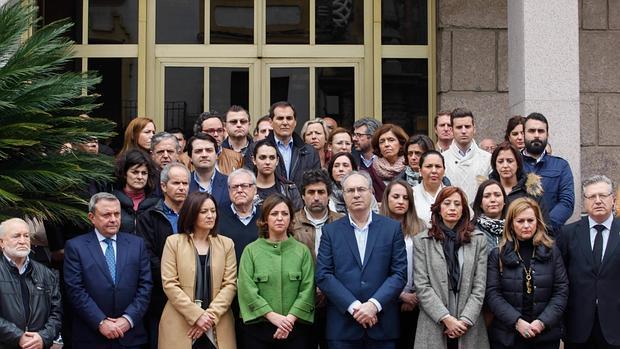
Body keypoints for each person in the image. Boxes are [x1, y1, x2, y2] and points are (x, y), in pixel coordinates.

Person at [316, 171, 407, 349]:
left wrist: (373, 305)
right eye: (350, 190)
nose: (356, 194)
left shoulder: (392, 229)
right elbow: (324, 275)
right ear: (343, 195)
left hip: (382, 326)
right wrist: (355, 307)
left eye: (361, 189)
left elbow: (399, 274)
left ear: (371, 192)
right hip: (343, 328)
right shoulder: (330, 232)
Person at [64, 193, 152, 349]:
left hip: (130, 336)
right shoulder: (76, 247)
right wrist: (100, 322)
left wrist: (128, 319)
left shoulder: (136, 244)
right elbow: (75, 290)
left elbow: (145, 286)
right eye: (106, 215)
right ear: (91, 217)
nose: (113, 219)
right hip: (91, 336)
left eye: (117, 214)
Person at [486, 197, 568, 349]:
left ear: (538, 222)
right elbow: (492, 294)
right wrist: (517, 322)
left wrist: (542, 322)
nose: (526, 226)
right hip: (507, 337)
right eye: (520, 221)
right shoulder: (497, 255)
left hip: (545, 336)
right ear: (511, 223)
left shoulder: (552, 252)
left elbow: (561, 291)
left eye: (530, 220)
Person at [413, 186, 489, 349]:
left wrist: (464, 321)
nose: (452, 208)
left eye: (457, 204)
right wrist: (446, 318)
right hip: (434, 320)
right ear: (438, 208)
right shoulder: (422, 241)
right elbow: (422, 285)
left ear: (464, 210)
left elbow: (479, 285)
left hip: (469, 321)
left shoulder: (478, 240)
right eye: (447, 203)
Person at [159, 192, 237, 349]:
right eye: (204, 211)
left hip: (218, 324)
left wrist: (208, 317)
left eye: (213, 211)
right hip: (179, 323)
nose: (210, 216)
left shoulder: (226, 244)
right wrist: (196, 315)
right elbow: (169, 284)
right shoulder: (174, 242)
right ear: (191, 213)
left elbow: (230, 285)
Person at [238, 194, 315, 349]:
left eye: (285, 214)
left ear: (291, 218)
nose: (280, 218)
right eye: (274, 213)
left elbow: (308, 289)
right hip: (258, 330)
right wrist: (272, 316)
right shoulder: (251, 251)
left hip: (295, 329)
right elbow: (246, 289)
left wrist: (288, 321)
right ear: (265, 219)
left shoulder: (302, 251)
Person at [557, 175, 620, 349]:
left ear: (613, 199)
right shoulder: (567, 234)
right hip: (578, 328)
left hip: (616, 327)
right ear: (584, 202)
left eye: (603, 195)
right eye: (592, 197)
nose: (598, 201)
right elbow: (560, 280)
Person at [136, 163, 190, 347]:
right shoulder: (149, 217)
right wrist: (174, 278)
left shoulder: (197, 215)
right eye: (176, 183)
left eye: (185, 183)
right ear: (164, 186)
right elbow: (147, 256)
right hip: (161, 295)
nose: (182, 187)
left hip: (194, 293)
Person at [291, 169, 342, 349]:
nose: (316, 197)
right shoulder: (291, 224)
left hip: (336, 301)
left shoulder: (342, 223)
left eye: (321, 192)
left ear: (329, 195)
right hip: (302, 301)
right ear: (303, 196)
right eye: (311, 192)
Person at [0, 218, 62, 349]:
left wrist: (43, 337)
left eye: (26, 236)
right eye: (16, 236)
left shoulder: (46, 273)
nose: (23, 241)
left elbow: (57, 313)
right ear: (2, 242)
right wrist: (18, 337)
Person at [379, 180, 426, 349]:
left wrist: (414, 295)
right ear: (387, 199)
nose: (401, 201)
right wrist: (400, 294)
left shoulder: (420, 226)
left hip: (416, 300)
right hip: (385, 300)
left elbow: (425, 265)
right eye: (396, 196)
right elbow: (376, 267)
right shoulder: (376, 226)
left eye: (406, 198)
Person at [244, 101, 320, 190]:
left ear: (295, 122)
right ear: (271, 122)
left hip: (300, 202)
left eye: (289, 118)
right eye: (280, 118)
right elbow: (249, 181)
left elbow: (316, 184)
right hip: (268, 202)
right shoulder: (255, 148)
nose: (285, 122)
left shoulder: (309, 152)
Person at [521, 112, 574, 232]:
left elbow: (566, 202)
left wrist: (544, 227)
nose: (536, 135)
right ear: (523, 134)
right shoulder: (514, 164)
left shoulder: (561, 166)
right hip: (517, 235)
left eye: (540, 131)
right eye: (531, 131)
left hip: (550, 236)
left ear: (547, 135)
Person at [443, 108, 492, 202]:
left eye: (467, 126)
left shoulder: (487, 159)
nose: (464, 131)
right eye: (459, 127)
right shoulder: (442, 159)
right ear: (451, 130)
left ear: (474, 129)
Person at [489, 142, 545, 214]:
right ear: (495, 165)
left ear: (518, 164)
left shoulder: (531, 192)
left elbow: (544, 223)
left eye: (510, 161)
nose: (505, 165)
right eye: (500, 161)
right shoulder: (487, 191)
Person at [112, 149, 159, 234]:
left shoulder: (157, 203)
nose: (140, 177)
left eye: (144, 173)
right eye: (135, 172)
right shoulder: (112, 201)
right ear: (124, 174)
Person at [252, 139, 302, 211]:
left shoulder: (290, 189)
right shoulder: (245, 189)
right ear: (254, 160)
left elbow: (297, 219)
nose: (268, 162)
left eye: (272, 158)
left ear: (277, 161)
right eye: (262, 157)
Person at [187, 133, 230, 206]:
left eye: (209, 150)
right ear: (190, 157)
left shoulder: (229, 183)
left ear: (217, 155)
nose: (204, 155)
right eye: (198, 151)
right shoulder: (184, 183)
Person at [368, 124, 408, 201]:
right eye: (382, 141)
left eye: (391, 140)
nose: (386, 144)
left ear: (401, 143)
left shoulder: (410, 170)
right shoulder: (370, 172)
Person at [412, 150, 448, 224]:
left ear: (444, 171)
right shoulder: (410, 194)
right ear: (420, 171)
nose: (434, 171)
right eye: (429, 166)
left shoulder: (453, 195)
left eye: (438, 166)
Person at [472, 179, 507, 250]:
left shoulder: (514, 227)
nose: (493, 200)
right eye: (487, 196)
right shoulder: (471, 230)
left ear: (504, 201)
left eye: (497, 195)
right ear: (480, 203)